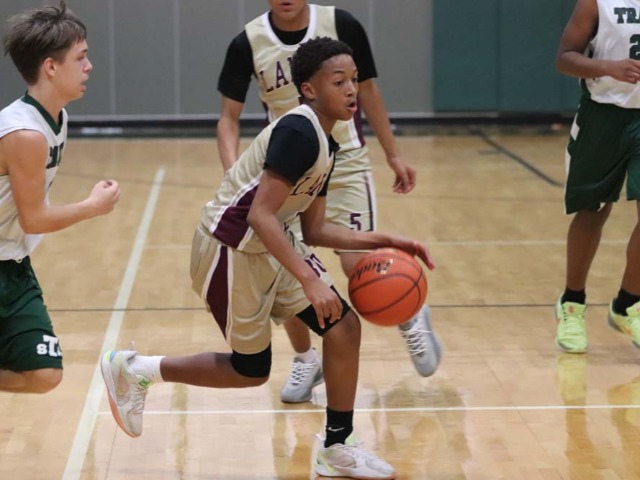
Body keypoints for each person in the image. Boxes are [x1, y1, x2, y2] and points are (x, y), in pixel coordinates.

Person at [101, 37, 434, 480]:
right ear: (309, 89)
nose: (352, 89)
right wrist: (310, 280)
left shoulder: (327, 143)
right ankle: (136, 369)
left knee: (342, 327)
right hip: (229, 249)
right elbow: (259, 215)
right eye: (339, 81)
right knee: (250, 371)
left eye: (354, 80)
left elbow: (315, 230)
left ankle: (337, 447)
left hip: (271, 243)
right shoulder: (298, 132)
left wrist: (386, 241)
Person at [217, 0, 441, 404]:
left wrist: (393, 155)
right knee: (284, 264)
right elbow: (228, 118)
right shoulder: (247, 42)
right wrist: (235, 174)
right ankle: (306, 359)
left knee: (356, 265)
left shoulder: (340, 23)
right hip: (289, 164)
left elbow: (368, 90)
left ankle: (405, 308)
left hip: (346, 158)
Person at [0, 1, 121, 394]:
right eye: (80, 58)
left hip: (13, 263)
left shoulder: (57, 117)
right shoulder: (25, 134)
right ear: (51, 67)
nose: (89, 67)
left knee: (43, 374)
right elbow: (34, 218)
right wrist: (92, 207)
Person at [554, 0, 640, 353]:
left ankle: (628, 303)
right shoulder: (597, 2)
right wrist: (608, 67)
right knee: (593, 211)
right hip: (603, 116)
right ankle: (572, 303)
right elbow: (564, 58)